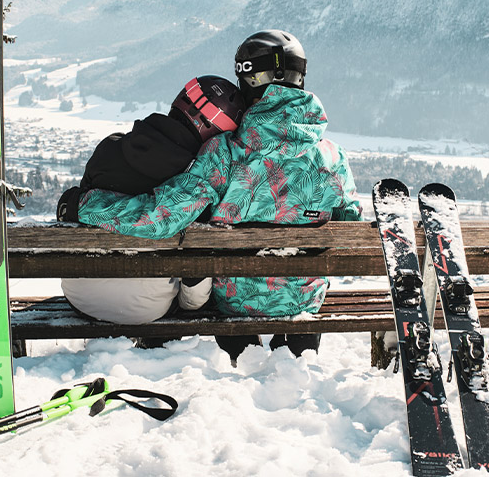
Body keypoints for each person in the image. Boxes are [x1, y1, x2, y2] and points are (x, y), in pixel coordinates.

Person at [75, 29, 362, 362]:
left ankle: (242, 359)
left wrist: (88, 205)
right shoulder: (334, 157)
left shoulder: (224, 154)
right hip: (304, 298)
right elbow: (348, 229)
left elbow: (160, 218)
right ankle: (298, 360)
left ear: (248, 80)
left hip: (235, 301)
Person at [56, 75, 248, 325]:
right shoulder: (196, 186)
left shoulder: (108, 149)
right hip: (145, 308)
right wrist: (190, 305)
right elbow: (195, 283)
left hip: (79, 294)